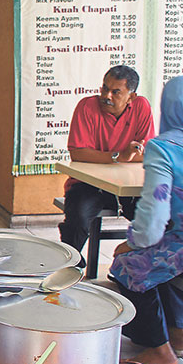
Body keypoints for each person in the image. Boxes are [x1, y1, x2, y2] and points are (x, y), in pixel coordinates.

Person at [111, 75, 183, 364]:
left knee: (129, 265)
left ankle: (160, 352)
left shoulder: (164, 148)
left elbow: (153, 218)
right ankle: (175, 336)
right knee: (166, 254)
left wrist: (131, 243)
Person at [58, 65, 156, 265]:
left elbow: (146, 153)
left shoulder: (142, 107)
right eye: (104, 88)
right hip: (87, 183)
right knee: (78, 217)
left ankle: (136, 269)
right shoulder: (87, 107)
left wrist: (125, 156)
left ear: (132, 96)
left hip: (127, 186)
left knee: (153, 217)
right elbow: (78, 153)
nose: (106, 96)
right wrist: (119, 156)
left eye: (115, 92)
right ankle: (69, 266)